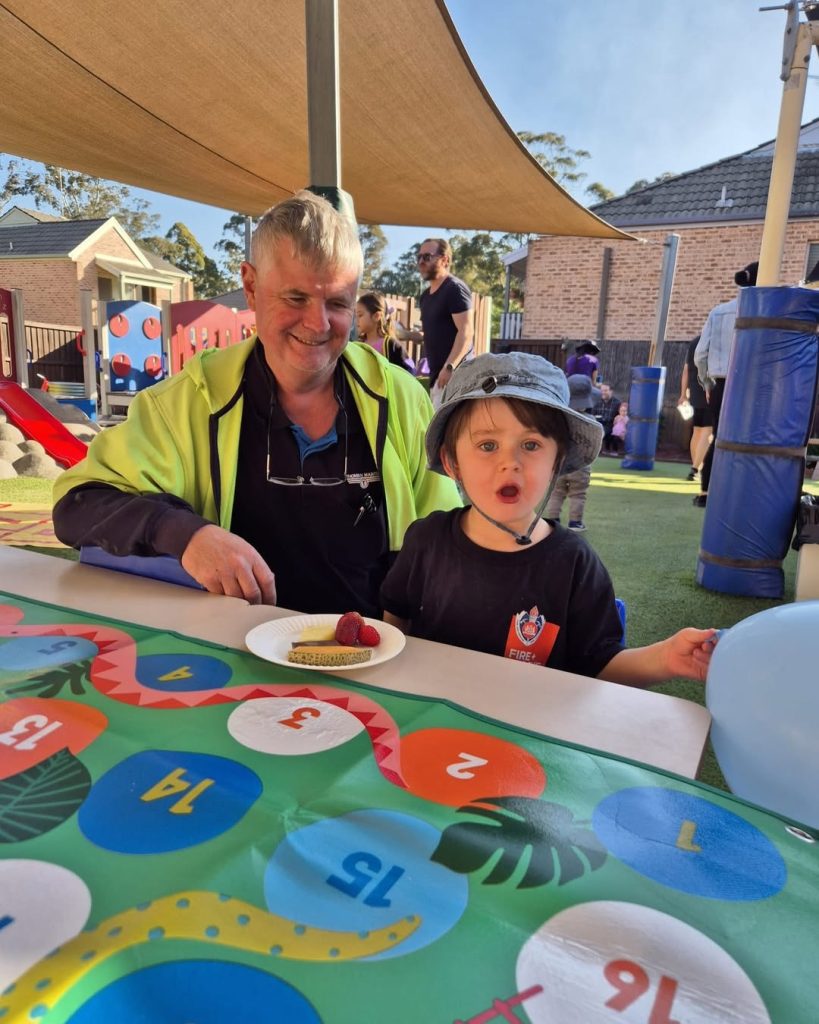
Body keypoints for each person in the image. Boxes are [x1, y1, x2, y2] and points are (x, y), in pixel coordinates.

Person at [52, 191, 461, 615]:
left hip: (370, 658)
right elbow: (77, 505)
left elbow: (447, 539)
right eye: (296, 298)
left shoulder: (399, 397)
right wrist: (187, 534)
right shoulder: (187, 401)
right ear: (250, 286)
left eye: (338, 303)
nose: (318, 324)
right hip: (230, 661)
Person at [381, 352, 716, 686]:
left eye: (530, 444)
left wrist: (666, 657)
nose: (510, 463)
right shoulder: (426, 541)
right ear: (452, 461)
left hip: (527, 733)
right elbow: (395, 626)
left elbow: (601, 665)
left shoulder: (574, 564)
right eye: (487, 445)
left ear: (558, 461)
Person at [693, 261, 758, 507]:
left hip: (721, 382)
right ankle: (741, 494)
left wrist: (707, 384)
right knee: (750, 439)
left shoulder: (719, 312)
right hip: (753, 383)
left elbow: (701, 354)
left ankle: (706, 493)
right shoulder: (766, 315)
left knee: (720, 438)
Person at [398, 238, 473, 389]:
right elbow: (431, 334)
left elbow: (466, 331)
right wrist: (404, 334)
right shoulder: (426, 296)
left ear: (444, 260)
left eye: (427, 257)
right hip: (437, 379)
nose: (421, 262)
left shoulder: (454, 289)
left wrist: (450, 366)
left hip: (457, 377)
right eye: (418, 257)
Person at [545, 373, 601, 531]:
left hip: (559, 463)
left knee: (556, 492)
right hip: (580, 465)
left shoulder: (557, 418)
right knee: (578, 494)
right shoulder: (591, 420)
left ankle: (553, 520)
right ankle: (575, 523)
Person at [677, 335, 712, 481]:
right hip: (709, 389)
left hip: (694, 392)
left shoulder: (694, 342)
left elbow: (686, 370)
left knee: (697, 430)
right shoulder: (714, 341)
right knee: (708, 430)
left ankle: (696, 468)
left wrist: (683, 394)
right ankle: (696, 469)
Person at [355, 292, 415, 373]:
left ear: (377, 316)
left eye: (360, 315)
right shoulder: (358, 345)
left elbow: (408, 371)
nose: (356, 320)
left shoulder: (391, 345)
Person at [593, 382, 619, 454]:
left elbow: (616, 418)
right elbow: (592, 415)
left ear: (611, 391)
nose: (603, 392)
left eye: (605, 390)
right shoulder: (596, 401)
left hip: (610, 426)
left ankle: (608, 450)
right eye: (602, 390)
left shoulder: (617, 403)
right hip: (597, 424)